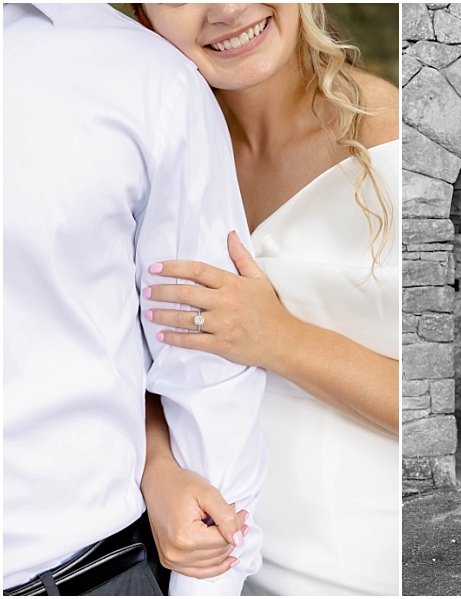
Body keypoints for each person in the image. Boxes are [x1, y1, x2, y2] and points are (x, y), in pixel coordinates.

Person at [133, 3, 400, 595]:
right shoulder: (156, 156)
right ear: (143, 16)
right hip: (205, 568)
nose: (226, 9)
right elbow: (123, 352)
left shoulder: (393, 146)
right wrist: (158, 470)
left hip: (362, 572)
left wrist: (281, 339)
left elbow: (439, 412)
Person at [4, 3, 265, 596]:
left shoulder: (149, 80)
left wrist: (210, 582)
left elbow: (206, 370)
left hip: (80, 572)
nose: (226, 7)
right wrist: (159, 463)